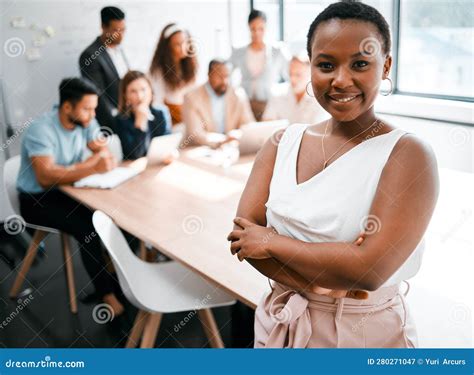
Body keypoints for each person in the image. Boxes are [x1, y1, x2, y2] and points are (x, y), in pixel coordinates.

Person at [227, 0, 439, 348]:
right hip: (279, 323)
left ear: (385, 66)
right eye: (326, 65)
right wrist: (326, 278)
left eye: (360, 63)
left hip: (364, 335)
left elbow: (369, 271)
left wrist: (272, 241)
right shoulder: (281, 142)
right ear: (310, 66)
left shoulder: (408, 154)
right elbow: (241, 240)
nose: (341, 80)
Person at [17, 78, 125, 316]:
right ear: (67, 107)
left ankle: (114, 274)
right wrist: (89, 166)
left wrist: (86, 165)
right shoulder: (41, 129)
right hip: (36, 198)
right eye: (87, 108)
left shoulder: (85, 119)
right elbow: (45, 177)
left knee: (108, 214)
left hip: (67, 188)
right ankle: (106, 293)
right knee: (86, 227)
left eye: (94, 108)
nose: (93, 114)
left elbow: (103, 152)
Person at [230, 10, 289, 121]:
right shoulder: (238, 52)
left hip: (269, 104)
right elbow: (226, 74)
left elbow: (290, 76)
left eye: (261, 29)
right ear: (248, 28)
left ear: (266, 28)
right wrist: (234, 93)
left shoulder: (277, 52)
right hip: (245, 105)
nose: (257, 33)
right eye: (253, 29)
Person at [79, 6, 129, 132]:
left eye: (123, 30)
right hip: (111, 123)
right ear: (103, 27)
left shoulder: (120, 50)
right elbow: (98, 95)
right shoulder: (90, 55)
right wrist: (117, 123)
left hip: (128, 117)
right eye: (116, 30)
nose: (121, 35)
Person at [183, 59, 254, 147]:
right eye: (220, 76)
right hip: (202, 148)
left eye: (227, 76)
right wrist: (223, 140)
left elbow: (249, 126)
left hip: (232, 148)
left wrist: (237, 135)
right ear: (209, 75)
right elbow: (195, 134)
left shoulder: (239, 95)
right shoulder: (191, 97)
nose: (224, 81)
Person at [149, 23, 198, 126]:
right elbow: (157, 104)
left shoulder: (190, 66)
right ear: (168, 47)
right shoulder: (158, 71)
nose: (183, 48)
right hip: (172, 122)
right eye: (177, 44)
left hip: (189, 116)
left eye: (185, 43)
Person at [115, 70, 171, 160]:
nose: (140, 96)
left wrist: (170, 153)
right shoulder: (121, 120)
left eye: (143, 89)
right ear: (125, 95)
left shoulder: (161, 113)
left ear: (151, 91)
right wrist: (140, 124)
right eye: (133, 91)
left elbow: (167, 144)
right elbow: (134, 155)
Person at [263, 53, 329, 124]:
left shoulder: (320, 99)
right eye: (290, 74)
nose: (292, 79)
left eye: (298, 75)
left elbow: (319, 130)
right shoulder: (277, 94)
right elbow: (267, 124)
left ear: (311, 75)